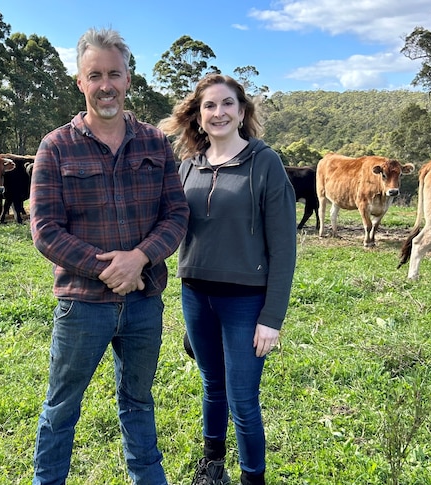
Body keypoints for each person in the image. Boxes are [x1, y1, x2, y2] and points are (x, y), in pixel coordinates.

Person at [29, 27, 190, 485]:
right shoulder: (56, 147)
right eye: (94, 74)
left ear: (128, 80)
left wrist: (140, 258)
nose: (105, 85)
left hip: (143, 303)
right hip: (82, 305)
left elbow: (176, 213)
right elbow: (44, 230)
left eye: (113, 74)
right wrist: (110, 267)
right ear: (80, 82)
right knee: (62, 405)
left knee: (139, 402)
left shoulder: (155, 143)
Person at [159, 74, 297, 485]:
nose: (218, 112)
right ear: (198, 116)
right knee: (211, 386)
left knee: (243, 400)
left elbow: (284, 249)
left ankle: (253, 478)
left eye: (227, 104)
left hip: (246, 301)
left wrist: (272, 318)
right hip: (196, 295)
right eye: (209, 106)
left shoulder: (265, 162)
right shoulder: (187, 167)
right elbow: (170, 226)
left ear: (241, 112)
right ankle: (212, 464)